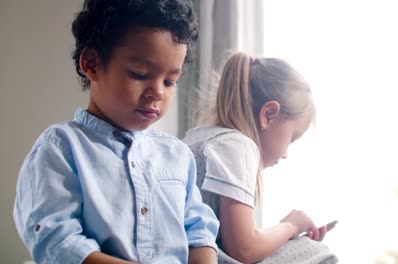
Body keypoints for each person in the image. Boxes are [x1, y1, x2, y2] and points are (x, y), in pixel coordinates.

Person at [13, 1, 219, 263]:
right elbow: (59, 241)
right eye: (140, 74)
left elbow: (199, 231)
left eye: (170, 81)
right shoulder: (61, 148)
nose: (158, 92)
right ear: (92, 64)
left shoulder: (177, 154)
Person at [183, 52, 338, 264]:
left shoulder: (197, 138)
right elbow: (244, 249)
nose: (285, 154)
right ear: (268, 115)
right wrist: (291, 225)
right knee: (318, 252)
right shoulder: (238, 146)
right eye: (292, 138)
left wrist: (285, 233)